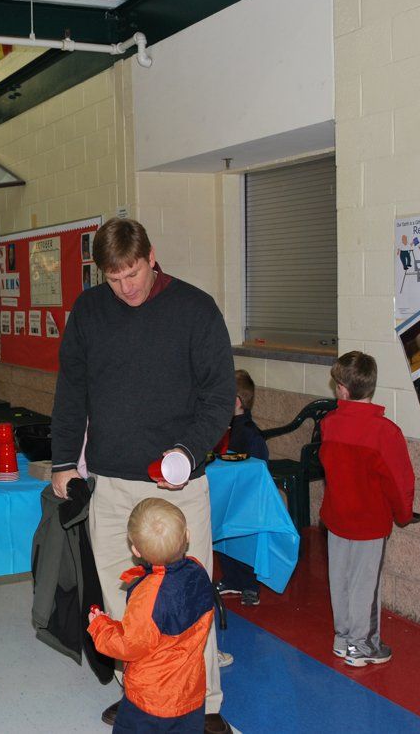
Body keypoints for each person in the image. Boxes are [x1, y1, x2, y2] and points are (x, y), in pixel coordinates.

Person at [50, 217, 235, 734]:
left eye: (132, 273)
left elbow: (220, 396)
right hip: (110, 481)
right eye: (114, 278)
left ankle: (205, 703)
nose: (126, 287)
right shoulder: (89, 312)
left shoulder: (195, 309)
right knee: (121, 597)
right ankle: (140, 695)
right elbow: (71, 391)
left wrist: (188, 452)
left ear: (151, 257)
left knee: (189, 598)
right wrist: (63, 461)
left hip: (176, 485)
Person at [320, 351, 415, 667]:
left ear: (342, 390)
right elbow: (400, 481)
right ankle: (362, 646)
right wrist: (403, 514)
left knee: (340, 579)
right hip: (370, 523)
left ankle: (343, 638)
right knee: (366, 585)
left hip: (337, 518)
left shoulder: (329, 425)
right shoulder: (385, 432)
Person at [88, 498, 215, 734]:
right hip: (190, 691)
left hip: (150, 699)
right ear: (187, 536)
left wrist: (100, 626)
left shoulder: (148, 595)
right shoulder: (198, 570)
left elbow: (130, 644)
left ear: (135, 550)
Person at [213, 369, 268, 607]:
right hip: (226, 495)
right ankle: (232, 578)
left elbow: (259, 469)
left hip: (245, 500)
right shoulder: (224, 429)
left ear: (236, 402)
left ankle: (250, 584)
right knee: (223, 538)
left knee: (245, 542)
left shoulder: (250, 435)